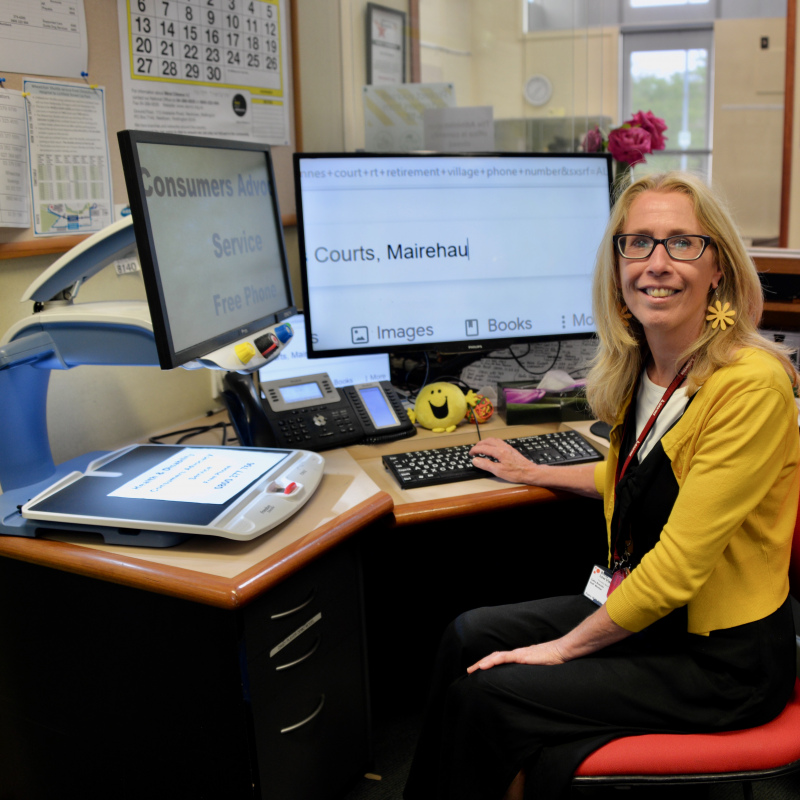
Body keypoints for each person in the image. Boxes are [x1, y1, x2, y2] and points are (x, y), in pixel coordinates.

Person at [403, 171, 800, 800]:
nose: (657, 263)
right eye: (637, 243)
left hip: (721, 660)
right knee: (466, 634)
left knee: (490, 697)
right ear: (616, 265)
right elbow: (641, 479)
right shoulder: (643, 366)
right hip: (654, 618)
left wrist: (562, 650)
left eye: (682, 243)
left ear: (717, 265)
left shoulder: (750, 383)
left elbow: (678, 566)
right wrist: (536, 472)